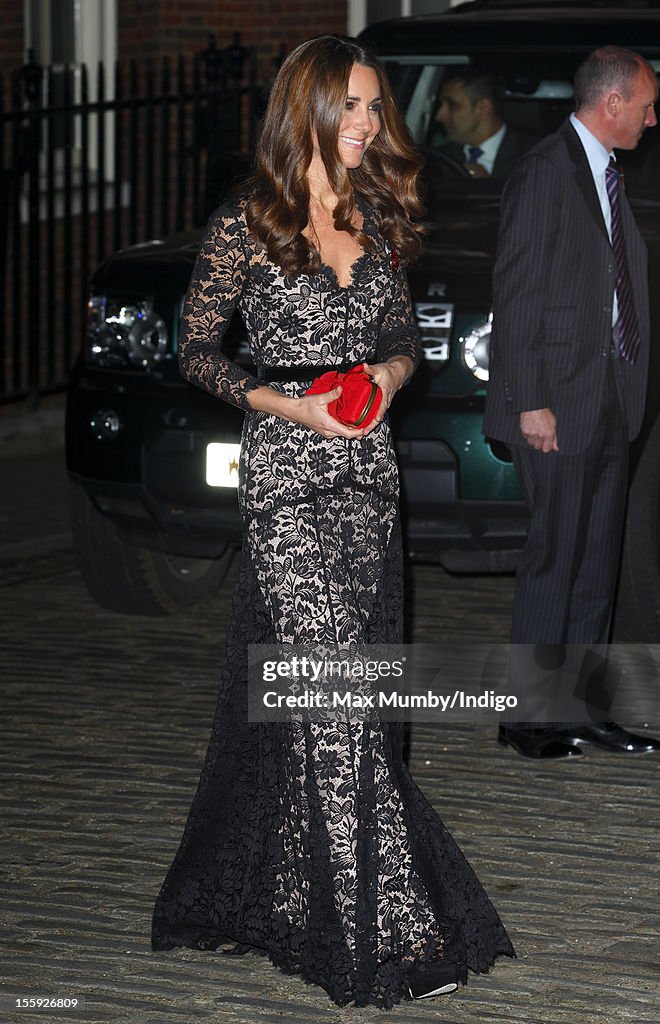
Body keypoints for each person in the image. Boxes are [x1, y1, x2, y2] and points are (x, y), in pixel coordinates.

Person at [151, 34, 514, 1008]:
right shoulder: (249, 220)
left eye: (373, 109)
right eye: (349, 107)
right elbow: (194, 351)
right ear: (305, 108)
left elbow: (400, 341)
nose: (365, 126)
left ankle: (296, 889)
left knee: (343, 705)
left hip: (369, 480)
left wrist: (388, 379)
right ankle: (383, 928)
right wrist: (289, 403)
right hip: (288, 477)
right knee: (336, 702)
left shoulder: (380, 215)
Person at [483, 46, 660, 759]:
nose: (653, 119)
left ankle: (581, 709)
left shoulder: (606, 174)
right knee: (556, 556)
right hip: (556, 403)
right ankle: (527, 715)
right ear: (611, 104)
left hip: (613, 395)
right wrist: (530, 401)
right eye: (646, 105)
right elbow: (516, 294)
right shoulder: (544, 174)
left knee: (597, 560)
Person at [433, 68, 537, 178]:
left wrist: (489, 186)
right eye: (441, 105)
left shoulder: (535, 155)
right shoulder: (439, 159)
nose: (440, 116)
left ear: (483, 108)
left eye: (452, 105)